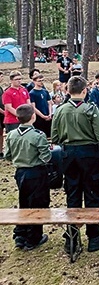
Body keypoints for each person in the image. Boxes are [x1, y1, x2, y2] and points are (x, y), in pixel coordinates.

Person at [51, 76, 99, 253]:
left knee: (72, 194)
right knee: (93, 193)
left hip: (68, 155)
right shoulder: (90, 109)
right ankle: (94, 237)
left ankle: (71, 239)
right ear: (85, 90)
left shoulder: (61, 110)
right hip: (89, 154)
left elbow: (55, 137)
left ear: (67, 91)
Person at [5, 104, 51, 250]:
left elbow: (7, 155)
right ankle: (33, 238)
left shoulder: (12, 134)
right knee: (38, 204)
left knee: (23, 202)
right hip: (36, 172)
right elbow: (46, 157)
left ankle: (20, 234)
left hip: (20, 172)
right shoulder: (38, 135)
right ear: (33, 116)